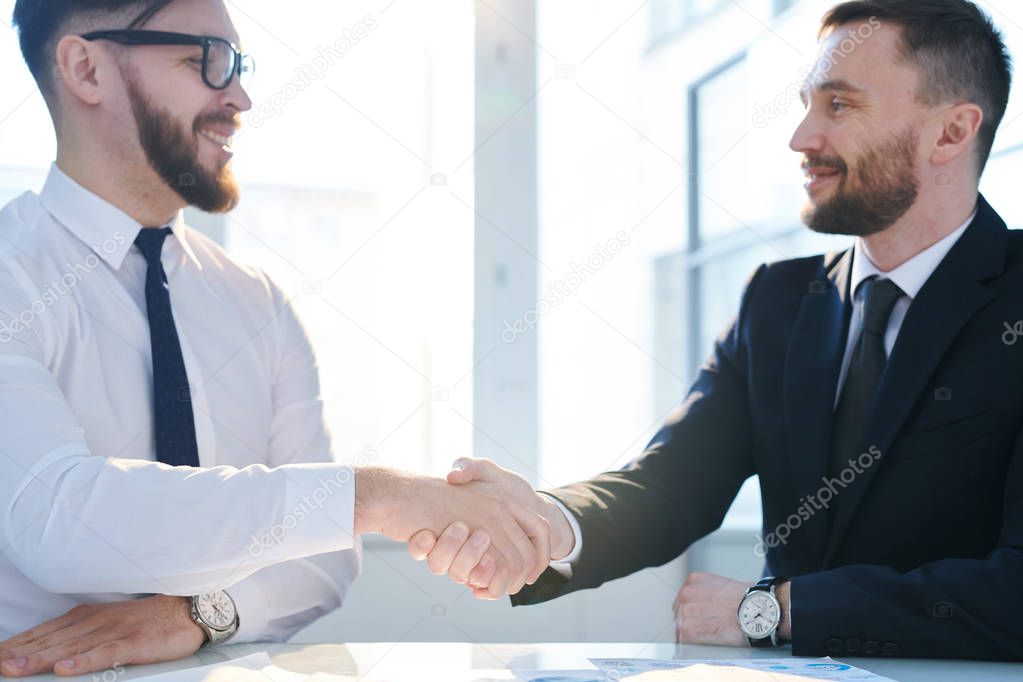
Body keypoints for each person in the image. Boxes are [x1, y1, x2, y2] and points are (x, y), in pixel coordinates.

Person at [415, 0, 1023, 661]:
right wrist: (538, 525)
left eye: (839, 106)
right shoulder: (779, 302)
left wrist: (774, 611)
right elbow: (669, 484)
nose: (801, 138)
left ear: (950, 133)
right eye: (805, 104)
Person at [0, 0, 549, 677]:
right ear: (86, 69)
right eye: (206, 60)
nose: (240, 97)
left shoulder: (254, 299)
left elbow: (320, 558)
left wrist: (200, 613)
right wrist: (376, 495)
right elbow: (55, 519)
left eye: (238, 64)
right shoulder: (10, 273)